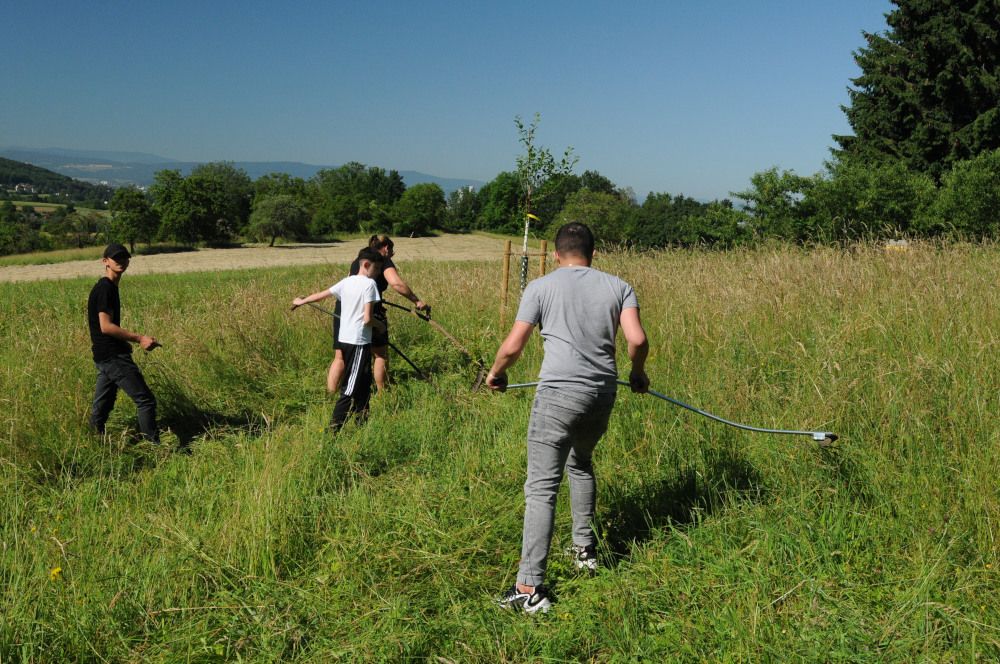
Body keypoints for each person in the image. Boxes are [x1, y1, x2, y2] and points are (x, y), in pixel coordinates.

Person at [486, 222, 650, 614]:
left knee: (541, 488)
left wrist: (496, 374)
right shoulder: (619, 286)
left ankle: (529, 588)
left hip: (558, 396)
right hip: (602, 395)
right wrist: (637, 373)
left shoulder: (541, 287)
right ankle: (584, 551)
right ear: (593, 254)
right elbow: (638, 340)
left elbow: (513, 345)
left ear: (557, 254)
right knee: (581, 463)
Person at [293, 248, 385, 431]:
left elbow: (321, 296)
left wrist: (302, 301)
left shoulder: (346, 282)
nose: (377, 274)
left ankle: (362, 424)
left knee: (364, 385)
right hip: (358, 342)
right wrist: (380, 325)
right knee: (350, 388)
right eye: (377, 270)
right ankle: (333, 430)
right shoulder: (369, 285)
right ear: (366, 265)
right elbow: (367, 319)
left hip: (344, 340)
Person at [327, 235, 429, 394]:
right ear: (386, 248)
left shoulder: (359, 260)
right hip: (369, 311)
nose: (392, 254)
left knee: (340, 357)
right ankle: (383, 393)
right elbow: (396, 284)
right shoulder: (383, 260)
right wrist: (417, 301)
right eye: (392, 250)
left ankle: (330, 394)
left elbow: (350, 284)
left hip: (344, 309)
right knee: (380, 354)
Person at [88, 243, 161, 443]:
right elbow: (106, 326)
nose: (120, 261)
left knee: (102, 408)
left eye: (124, 257)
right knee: (145, 401)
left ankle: (94, 442)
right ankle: (153, 447)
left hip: (106, 355)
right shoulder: (105, 288)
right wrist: (139, 338)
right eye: (115, 258)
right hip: (112, 357)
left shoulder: (109, 286)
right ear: (105, 262)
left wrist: (123, 344)